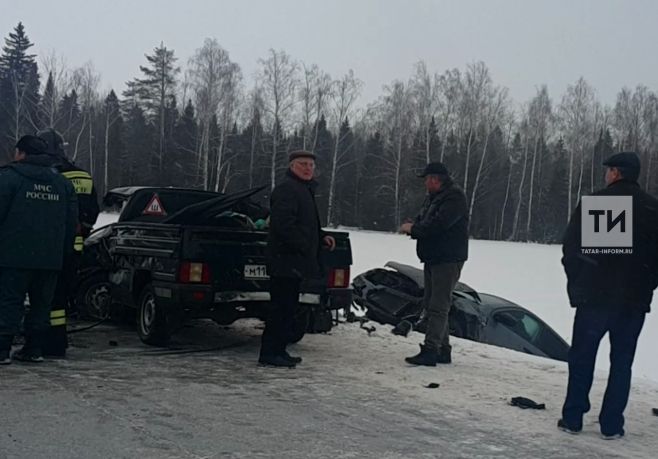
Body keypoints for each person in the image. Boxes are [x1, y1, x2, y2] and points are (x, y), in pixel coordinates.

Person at [558, 152, 658, 439]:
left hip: (596, 299)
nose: (606, 175)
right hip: (634, 302)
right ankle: (612, 423)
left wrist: (578, 285)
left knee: (582, 357)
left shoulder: (603, 203)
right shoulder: (652, 209)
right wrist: (646, 286)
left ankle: (573, 416)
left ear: (616, 173)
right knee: (622, 362)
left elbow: (575, 252)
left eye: (608, 170)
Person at [0, 135, 78, 364]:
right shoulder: (63, 183)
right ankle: (34, 349)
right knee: (41, 306)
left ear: (21, 153)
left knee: (8, 302)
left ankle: (2, 349)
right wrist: (63, 254)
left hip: (12, 256)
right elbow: (70, 223)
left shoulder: (8, 179)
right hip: (49, 259)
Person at [259, 150, 335, 368]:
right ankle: (270, 352)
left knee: (289, 308)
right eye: (303, 164)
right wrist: (304, 245)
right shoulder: (287, 190)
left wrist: (321, 238)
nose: (308, 168)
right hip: (285, 260)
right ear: (292, 166)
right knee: (280, 308)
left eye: (311, 165)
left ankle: (279, 350)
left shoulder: (304, 190)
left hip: (294, 261)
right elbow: (283, 225)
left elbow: (307, 225)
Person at [399, 162, 469, 366]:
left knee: (438, 305)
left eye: (427, 179)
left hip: (447, 259)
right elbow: (426, 222)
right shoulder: (436, 198)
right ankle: (442, 349)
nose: (425, 184)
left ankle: (431, 350)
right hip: (434, 257)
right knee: (433, 304)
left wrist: (414, 229)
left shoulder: (454, 198)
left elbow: (438, 225)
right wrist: (416, 226)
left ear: (436, 179)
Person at [38, 128, 99, 356]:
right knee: (60, 299)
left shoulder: (49, 175)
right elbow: (93, 211)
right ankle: (57, 342)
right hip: (75, 249)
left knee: (43, 296)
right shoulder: (83, 176)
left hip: (48, 248)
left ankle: (40, 342)